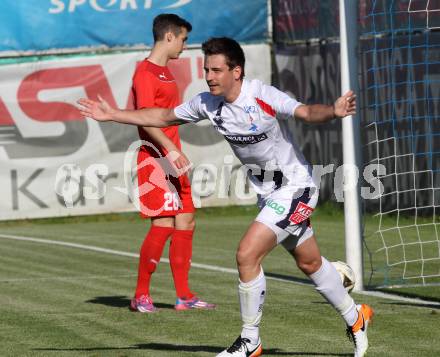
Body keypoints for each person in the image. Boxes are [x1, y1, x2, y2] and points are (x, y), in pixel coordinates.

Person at [78, 37, 373, 356]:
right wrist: (113, 115)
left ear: (237, 71)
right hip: (270, 191)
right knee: (310, 262)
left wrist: (333, 110)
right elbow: (161, 117)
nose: (210, 76)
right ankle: (356, 318)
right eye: (207, 69)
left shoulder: (260, 94)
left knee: (247, 254)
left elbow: (304, 112)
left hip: (296, 187)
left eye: (217, 70)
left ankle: (250, 340)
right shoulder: (208, 103)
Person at [127, 14, 215, 313]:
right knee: (163, 223)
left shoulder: (165, 72)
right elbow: (146, 120)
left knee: (187, 219)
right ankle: (140, 295)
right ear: (169, 37)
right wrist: (169, 150)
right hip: (154, 159)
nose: (185, 45)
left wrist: (176, 151)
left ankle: (184, 296)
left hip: (173, 158)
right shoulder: (145, 73)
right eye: (183, 38)